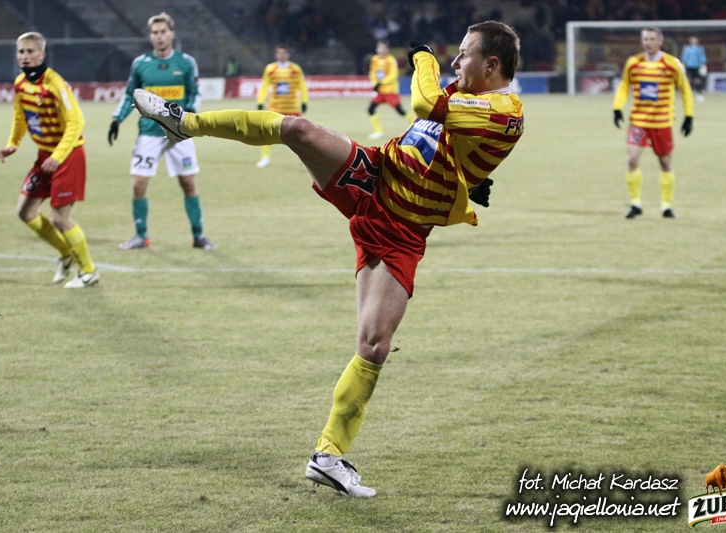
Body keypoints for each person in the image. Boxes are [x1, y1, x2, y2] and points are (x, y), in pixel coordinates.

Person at [133, 21, 523, 497]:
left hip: (401, 230)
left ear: (491, 64)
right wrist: (467, 178)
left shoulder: (504, 113)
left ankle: (328, 456)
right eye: (454, 54)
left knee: (374, 345)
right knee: (297, 128)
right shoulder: (470, 96)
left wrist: (423, 56)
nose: (455, 62)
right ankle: (184, 122)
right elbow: (440, 137)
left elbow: (425, 105)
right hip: (374, 174)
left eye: (464, 54)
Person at [0, 32, 99, 289]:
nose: (25, 56)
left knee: (60, 218)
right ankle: (66, 254)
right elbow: (21, 116)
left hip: (69, 155)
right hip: (45, 156)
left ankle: (89, 271)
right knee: (25, 212)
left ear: (42, 55)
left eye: (30, 51)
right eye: (21, 51)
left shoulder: (56, 84)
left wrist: (58, 155)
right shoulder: (20, 83)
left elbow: (76, 122)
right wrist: (13, 143)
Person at [108, 12, 216, 250]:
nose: (159, 36)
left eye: (163, 32)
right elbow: (130, 95)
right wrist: (117, 119)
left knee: (188, 183)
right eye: (155, 33)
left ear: (171, 33)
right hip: (149, 133)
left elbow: (195, 92)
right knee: (138, 185)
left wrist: (189, 112)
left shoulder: (186, 62)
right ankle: (141, 236)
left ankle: (198, 236)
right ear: (150, 36)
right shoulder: (140, 64)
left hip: (179, 133)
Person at [613, 27, 694, 219]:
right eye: (645, 39)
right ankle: (635, 204)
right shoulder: (633, 63)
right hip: (639, 121)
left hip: (662, 122)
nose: (648, 43)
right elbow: (624, 85)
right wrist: (617, 107)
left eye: (651, 39)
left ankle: (666, 206)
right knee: (632, 159)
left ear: (660, 41)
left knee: (665, 162)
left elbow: (684, 88)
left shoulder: (671, 64)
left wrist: (689, 116)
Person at [255, 44, 308, 168]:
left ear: (288, 55)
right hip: (275, 107)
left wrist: (304, 101)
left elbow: (302, 86)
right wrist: (260, 101)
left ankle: (304, 158)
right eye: (279, 53)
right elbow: (264, 86)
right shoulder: (270, 69)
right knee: (267, 132)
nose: (281, 55)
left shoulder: (295, 69)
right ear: (276, 55)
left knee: (299, 135)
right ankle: (265, 157)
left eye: (284, 53)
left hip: (292, 107)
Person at [367, 40, 411, 139]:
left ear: (387, 49)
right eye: (379, 47)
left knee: (400, 111)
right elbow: (372, 72)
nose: (380, 49)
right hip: (379, 92)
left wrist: (381, 82)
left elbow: (393, 75)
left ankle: (416, 125)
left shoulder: (391, 60)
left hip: (390, 91)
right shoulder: (374, 59)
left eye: (382, 47)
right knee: (371, 109)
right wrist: (375, 83)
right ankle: (378, 131)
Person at [680, 36, 707, 102]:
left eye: (695, 40)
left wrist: (703, 64)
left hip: (696, 66)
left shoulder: (700, 49)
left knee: (697, 80)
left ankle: (699, 94)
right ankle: (687, 94)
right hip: (689, 66)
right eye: (692, 40)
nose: (693, 41)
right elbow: (684, 56)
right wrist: (683, 63)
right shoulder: (687, 48)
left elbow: (702, 57)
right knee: (688, 80)